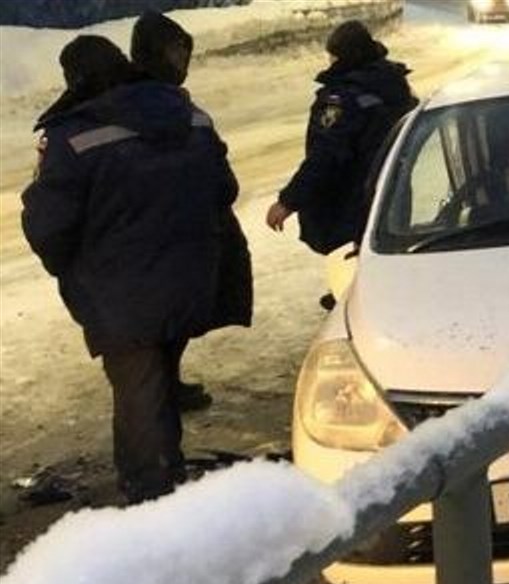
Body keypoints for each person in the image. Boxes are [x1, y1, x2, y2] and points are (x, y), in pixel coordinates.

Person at [21, 33, 241, 504]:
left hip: (121, 298)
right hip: (190, 280)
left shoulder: (74, 136)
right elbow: (224, 189)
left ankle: (152, 503)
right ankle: (166, 474)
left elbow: (47, 227)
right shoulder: (189, 114)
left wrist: (74, 267)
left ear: (75, 78)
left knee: (140, 395)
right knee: (157, 381)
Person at [130, 11, 253, 411]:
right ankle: (158, 406)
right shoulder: (164, 110)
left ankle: (165, 388)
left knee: (171, 323)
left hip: (165, 239)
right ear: (153, 54)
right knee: (161, 328)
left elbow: (222, 181)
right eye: (174, 51)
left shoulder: (138, 105)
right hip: (165, 238)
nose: (182, 60)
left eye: (185, 51)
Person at [266, 20, 417, 259]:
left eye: (333, 56)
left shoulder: (343, 99)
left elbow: (325, 156)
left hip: (350, 207)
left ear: (343, 57)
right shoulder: (393, 84)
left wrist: (288, 202)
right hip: (393, 197)